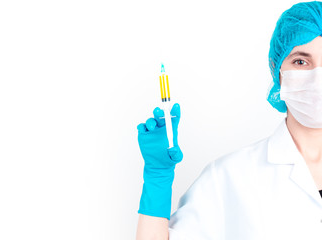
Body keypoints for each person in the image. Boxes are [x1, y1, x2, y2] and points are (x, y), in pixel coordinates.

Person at [136, 1, 322, 239]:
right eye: (301, 61)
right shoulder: (229, 176)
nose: (318, 78)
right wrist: (157, 178)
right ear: (277, 70)